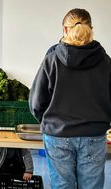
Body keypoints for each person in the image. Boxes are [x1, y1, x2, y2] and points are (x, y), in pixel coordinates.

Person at [29, 8, 111, 189]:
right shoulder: (105, 61)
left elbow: (36, 102)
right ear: (91, 28)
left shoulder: (52, 59)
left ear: (64, 29)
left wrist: (48, 122)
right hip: (93, 134)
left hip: (57, 134)